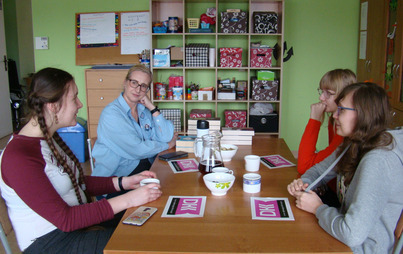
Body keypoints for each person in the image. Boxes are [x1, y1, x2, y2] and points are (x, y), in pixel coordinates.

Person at [0, 67, 162, 253]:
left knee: (150, 223)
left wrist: (125, 182)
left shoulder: (49, 138)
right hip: (51, 242)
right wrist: (129, 199)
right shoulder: (19, 157)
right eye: (74, 98)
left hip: (74, 225)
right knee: (141, 242)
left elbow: (75, 182)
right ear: (53, 106)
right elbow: (66, 219)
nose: (80, 104)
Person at [287, 82, 403, 253]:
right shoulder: (354, 143)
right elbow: (318, 171)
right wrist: (303, 183)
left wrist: (318, 208)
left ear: (364, 115)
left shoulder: (379, 160)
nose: (334, 115)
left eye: (341, 110)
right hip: (341, 238)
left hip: (359, 248)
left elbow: (352, 234)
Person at [91, 65, 176, 181]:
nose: (138, 90)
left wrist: (152, 108)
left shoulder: (144, 111)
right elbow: (138, 149)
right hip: (116, 179)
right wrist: (167, 145)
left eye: (143, 86)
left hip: (145, 169)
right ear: (125, 82)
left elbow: (166, 136)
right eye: (134, 83)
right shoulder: (111, 114)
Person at [298, 69, 356, 174]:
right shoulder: (333, 120)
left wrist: (314, 120)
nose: (321, 97)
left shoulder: (345, 128)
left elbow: (304, 166)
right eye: (322, 91)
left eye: (329, 93)